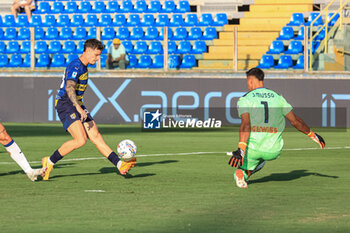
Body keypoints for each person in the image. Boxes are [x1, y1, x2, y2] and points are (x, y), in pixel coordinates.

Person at [41, 39, 136, 180]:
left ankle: (119, 164)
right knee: (80, 140)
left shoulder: (84, 67)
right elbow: (69, 88)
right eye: (96, 55)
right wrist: (79, 108)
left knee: (96, 136)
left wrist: (79, 106)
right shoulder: (75, 66)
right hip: (65, 104)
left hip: (76, 104)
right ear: (88, 51)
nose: (98, 59)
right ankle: (49, 162)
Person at [228, 68, 325, 188]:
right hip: (273, 150)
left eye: (247, 81)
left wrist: (240, 149)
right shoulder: (278, 98)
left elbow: (245, 124)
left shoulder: (245, 99)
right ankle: (248, 170)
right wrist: (312, 134)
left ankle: (242, 173)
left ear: (251, 80)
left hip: (253, 149)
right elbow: (295, 121)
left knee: (252, 161)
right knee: (262, 160)